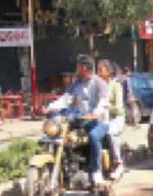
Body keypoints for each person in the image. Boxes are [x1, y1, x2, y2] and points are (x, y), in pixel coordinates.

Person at [46, 54, 110, 187]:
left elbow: (104, 102)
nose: (76, 69)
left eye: (78, 66)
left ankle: (96, 171)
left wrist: (95, 114)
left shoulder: (99, 83)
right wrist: (50, 108)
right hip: (81, 120)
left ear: (85, 68)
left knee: (93, 136)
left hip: (99, 122)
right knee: (58, 134)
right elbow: (66, 99)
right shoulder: (76, 84)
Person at [97, 59, 125, 180]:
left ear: (108, 72)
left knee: (111, 133)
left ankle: (118, 163)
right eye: (97, 70)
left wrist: (107, 107)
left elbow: (118, 108)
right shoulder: (96, 86)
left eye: (101, 70)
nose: (98, 73)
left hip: (115, 118)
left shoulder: (116, 86)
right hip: (100, 117)